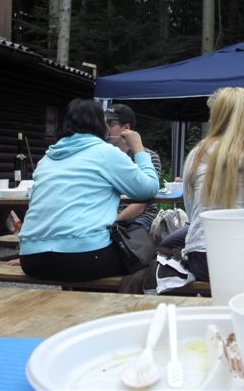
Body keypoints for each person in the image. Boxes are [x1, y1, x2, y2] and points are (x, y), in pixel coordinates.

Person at [119, 87, 244, 293]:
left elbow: (192, 212)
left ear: (216, 117)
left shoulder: (199, 154)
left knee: (168, 244)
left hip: (207, 260)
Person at [18, 99, 159, 281]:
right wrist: (139, 149)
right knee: (144, 254)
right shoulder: (105, 153)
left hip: (31, 260)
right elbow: (149, 189)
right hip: (83, 257)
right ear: (100, 124)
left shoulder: (46, 159)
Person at [105, 103, 162, 230]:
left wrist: (112, 222)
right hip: (108, 219)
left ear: (126, 128)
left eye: (110, 123)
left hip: (140, 218)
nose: (105, 128)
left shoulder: (148, 156)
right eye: (104, 123)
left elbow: (140, 204)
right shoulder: (104, 156)